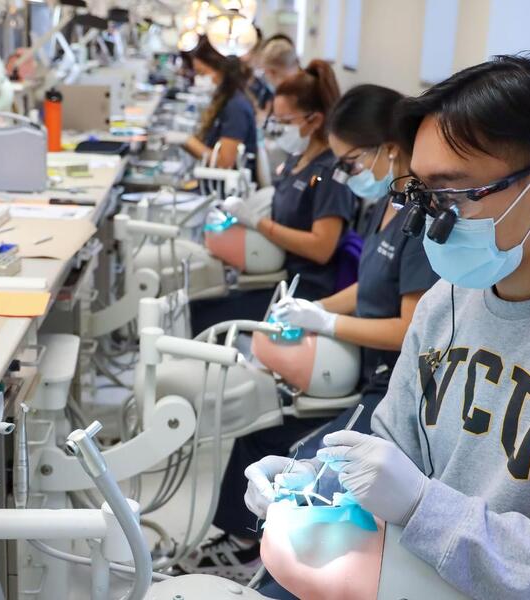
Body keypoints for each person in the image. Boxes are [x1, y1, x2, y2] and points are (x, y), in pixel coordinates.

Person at [244, 53, 530, 599]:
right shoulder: (447, 300)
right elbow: (392, 446)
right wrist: (317, 482)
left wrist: (426, 508)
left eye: (451, 196)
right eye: (422, 195)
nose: (430, 222)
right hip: (408, 572)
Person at [179, 84, 439, 586]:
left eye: (351, 160)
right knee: (256, 439)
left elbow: (412, 327)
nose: (345, 173)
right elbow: (369, 284)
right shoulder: (384, 204)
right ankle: (239, 544)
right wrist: (314, 308)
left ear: (389, 148)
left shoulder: (419, 221)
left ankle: (275, 574)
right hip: (360, 361)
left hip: (387, 387)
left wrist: (330, 324)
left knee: (303, 474)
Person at [190, 59, 354, 335]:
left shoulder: (330, 174)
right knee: (198, 296)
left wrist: (257, 223)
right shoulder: (295, 160)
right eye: (275, 120)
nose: (277, 127)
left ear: (314, 120)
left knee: (203, 317)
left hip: (302, 290)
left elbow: (321, 248)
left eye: (285, 121)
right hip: (274, 272)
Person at [166, 36, 258, 173]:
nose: (198, 79)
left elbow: (224, 162)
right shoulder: (224, 100)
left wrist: (187, 141)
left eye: (202, 73)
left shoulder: (235, 107)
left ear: (220, 69)